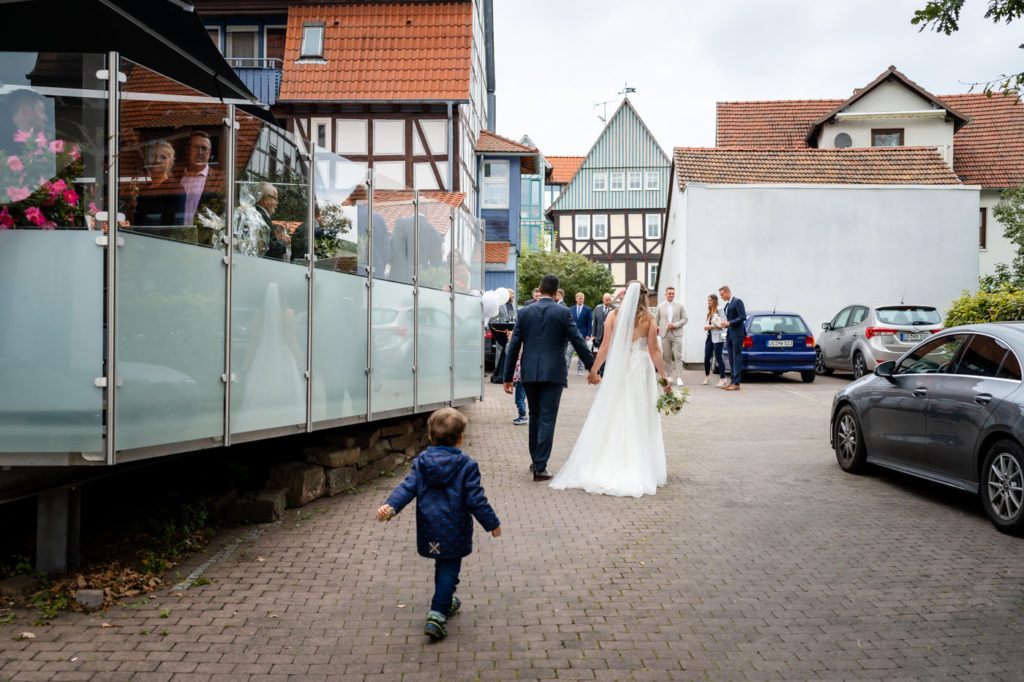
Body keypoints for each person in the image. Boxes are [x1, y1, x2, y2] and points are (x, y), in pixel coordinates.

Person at [376, 408, 501, 641]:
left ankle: (446, 600)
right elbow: (476, 499)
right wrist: (491, 523)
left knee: (442, 567)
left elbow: (407, 487)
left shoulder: (422, 462)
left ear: (430, 437)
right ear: (461, 438)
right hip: (454, 529)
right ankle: (437, 614)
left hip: (429, 527)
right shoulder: (466, 465)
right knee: (449, 569)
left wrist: (391, 506)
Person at [550, 280, 670, 497]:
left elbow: (604, 347)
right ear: (644, 296)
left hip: (619, 370)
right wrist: (664, 377)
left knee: (616, 411)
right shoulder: (649, 319)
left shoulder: (613, 316)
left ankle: (612, 459)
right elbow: (654, 351)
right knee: (640, 414)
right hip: (641, 372)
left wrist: (594, 370)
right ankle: (640, 464)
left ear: (624, 295)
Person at [502, 274, 596, 481]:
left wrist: (507, 377)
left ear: (539, 289)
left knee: (535, 416)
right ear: (556, 293)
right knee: (547, 418)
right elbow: (578, 341)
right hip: (553, 373)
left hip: (529, 373)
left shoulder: (524, 312)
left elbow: (514, 345)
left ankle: (536, 461)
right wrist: (593, 368)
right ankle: (540, 467)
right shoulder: (563, 312)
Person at [131, 140, 178, 227]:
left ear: (170, 163)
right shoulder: (143, 190)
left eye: (163, 157)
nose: (157, 160)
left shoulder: (175, 188)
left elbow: (174, 224)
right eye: (153, 156)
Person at [180, 130, 213, 225]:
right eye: (195, 147)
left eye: (204, 148)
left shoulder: (217, 181)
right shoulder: (175, 176)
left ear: (209, 153)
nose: (200, 152)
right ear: (188, 150)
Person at [656, 286, 688, 385]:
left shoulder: (680, 306)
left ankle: (679, 377)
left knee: (678, 356)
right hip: (665, 334)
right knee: (667, 356)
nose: (671, 295)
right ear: (665, 294)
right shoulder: (660, 306)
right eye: (669, 293)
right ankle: (669, 376)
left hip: (677, 333)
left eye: (673, 293)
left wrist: (675, 325)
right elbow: (656, 321)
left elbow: (685, 319)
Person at [719, 285, 746, 391]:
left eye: (722, 295)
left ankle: (737, 383)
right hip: (730, 333)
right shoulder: (728, 304)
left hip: (737, 334)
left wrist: (729, 323)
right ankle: (732, 382)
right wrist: (723, 323)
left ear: (727, 292)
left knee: (736, 358)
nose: (721, 297)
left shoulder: (737, 301)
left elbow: (742, 317)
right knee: (731, 358)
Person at [255, 181, 290, 261]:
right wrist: (283, 242)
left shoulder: (256, 214)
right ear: (265, 199)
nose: (276, 203)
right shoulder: (261, 217)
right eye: (275, 199)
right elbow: (269, 250)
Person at [702, 293, 727, 387]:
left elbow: (723, 323)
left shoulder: (720, 309)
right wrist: (707, 327)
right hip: (709, 336)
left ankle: (723, 378)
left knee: (718, 357)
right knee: (706, 357)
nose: (709, 302)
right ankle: (707, 377)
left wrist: (711, 326)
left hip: (718, 337)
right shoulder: (709, 310)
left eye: (710, 300)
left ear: (715, 301)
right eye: (708, 300)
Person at [566, 292, 593, 376]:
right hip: (572, 335)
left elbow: (589, 323)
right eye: (579, 298)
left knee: (581, 353)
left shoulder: (587, 309)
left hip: (583, 335)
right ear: (576, 299)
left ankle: (580, 370)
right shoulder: (571, 309)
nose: (581, 300)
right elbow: (568, 322)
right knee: (569, 352)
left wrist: (588, 334)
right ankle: (566, 369)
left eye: (582, 298)